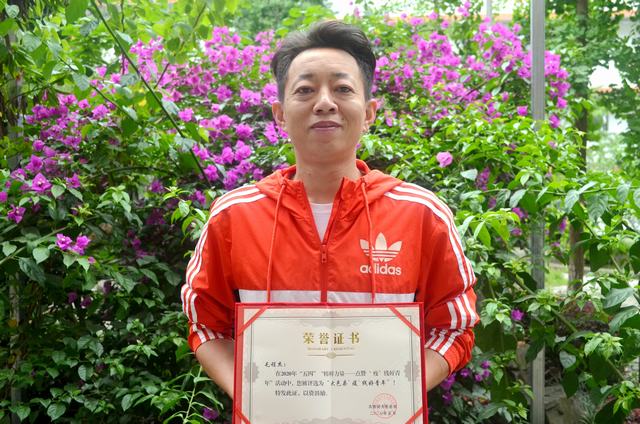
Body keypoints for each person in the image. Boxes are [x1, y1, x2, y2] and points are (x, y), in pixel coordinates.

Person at [181, 20, 478, 401]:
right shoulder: (234, 217)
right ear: (280, 113)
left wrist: (394, 393)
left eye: (342, 88)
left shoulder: (422, 215)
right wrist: (254, 396)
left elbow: (453, 326)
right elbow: (207, 324)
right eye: (305, 90)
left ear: (369, 112)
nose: (324, 102)